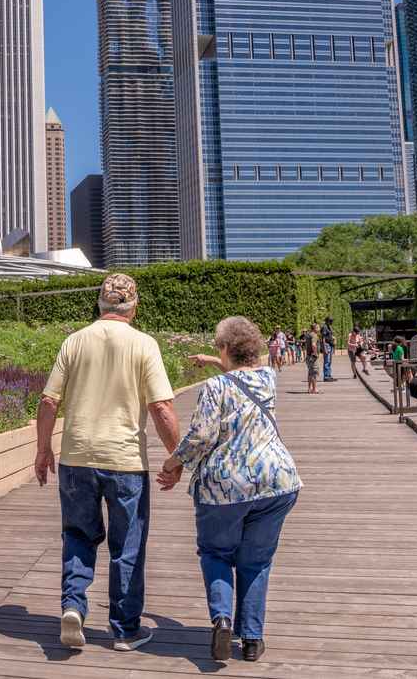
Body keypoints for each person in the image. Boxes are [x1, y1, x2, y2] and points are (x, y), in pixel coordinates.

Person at [35, 273, 181, 652]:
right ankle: (125, 630)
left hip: (75, 457)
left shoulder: (74, 341)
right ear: (134, 308)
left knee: (79, 536)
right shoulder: (144, 344)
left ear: (99, 304)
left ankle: (73, 607)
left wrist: (42, 450)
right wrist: (177, 457)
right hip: (125, 461)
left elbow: (49, 401)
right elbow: (161, 406)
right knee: (127, 544)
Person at [161, 317, 303, 663]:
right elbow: (244, 369)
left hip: (225, 487)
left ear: (224, 349)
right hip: (277, 482)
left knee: (216, 552)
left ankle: (222, 619)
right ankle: (252, 639)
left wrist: (172, 463)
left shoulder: (214, 388)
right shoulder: (269, 379)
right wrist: (216, 361)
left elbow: (202, 436)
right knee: (256, 562)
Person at [304, 322, 323, 394]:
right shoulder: (314, 336)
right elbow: (313, 344)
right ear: (315, 328)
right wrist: (316, 353)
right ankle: (315, 389)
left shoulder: (308, 335)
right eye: (318, 328)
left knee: (310, 372)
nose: (319, 329)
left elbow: (306, 345)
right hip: (313, 357)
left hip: (308, 356)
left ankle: (310, 388)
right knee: (314, 373)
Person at [321, 317, 336, 382]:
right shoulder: (324, 327)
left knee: (329, 361)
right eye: (330, 321)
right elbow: (323, 338)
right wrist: (325, 349)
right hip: (326, 345)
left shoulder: (328, 327)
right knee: (326, 361)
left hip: (330, 345)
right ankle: (326, 376)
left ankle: (329, 375)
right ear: (327, 320)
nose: (331, 322)